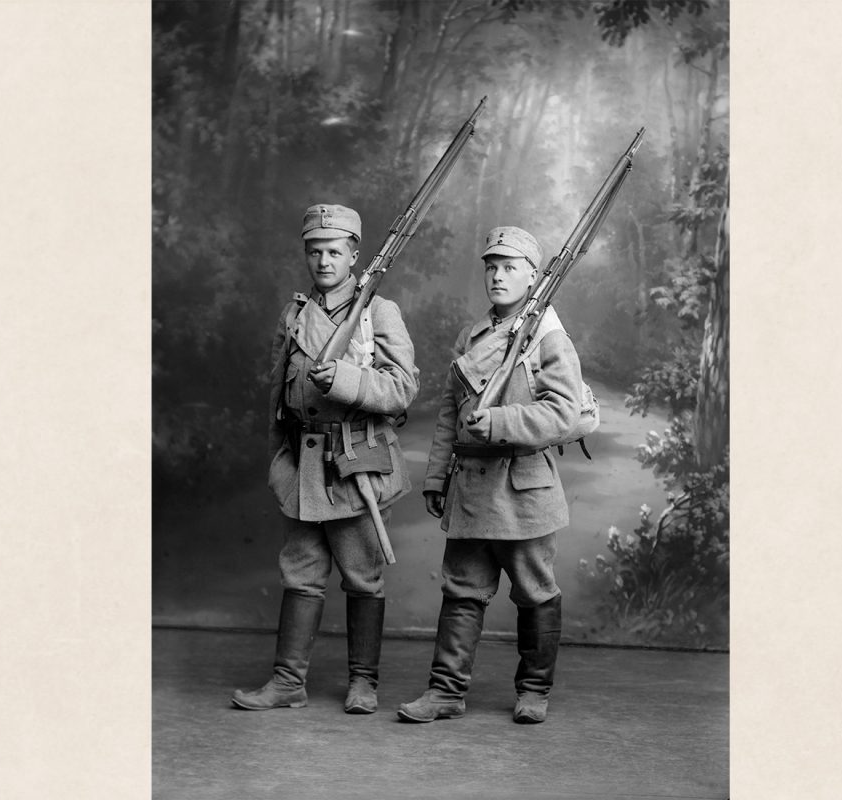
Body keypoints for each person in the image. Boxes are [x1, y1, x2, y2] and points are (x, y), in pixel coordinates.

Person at [232, 203, 419, 714]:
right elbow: (276, 396)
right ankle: (288, 682)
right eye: (314, 251)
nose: (323, 261)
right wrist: (277, 463)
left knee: (362, 575)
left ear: (355, 255)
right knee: (300, 572)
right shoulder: (294, 315)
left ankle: (364, 683)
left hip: (352, 462)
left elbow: (403, 389)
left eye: (334, 251)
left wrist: (349, 381)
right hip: (301, 465)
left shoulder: (378, 311)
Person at [398, 226, 582, 725]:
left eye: (509, 267)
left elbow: (564, 414)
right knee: (461, 591)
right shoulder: (471, 337)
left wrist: (500, 422)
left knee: (535, 593)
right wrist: (436, 476)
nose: (498, 276)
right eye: (491, 267)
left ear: (532, 275)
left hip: (525, 488)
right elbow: (447, 412)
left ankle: (534, 693)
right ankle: (445, 692)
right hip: (473, 487)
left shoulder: (549, 337)